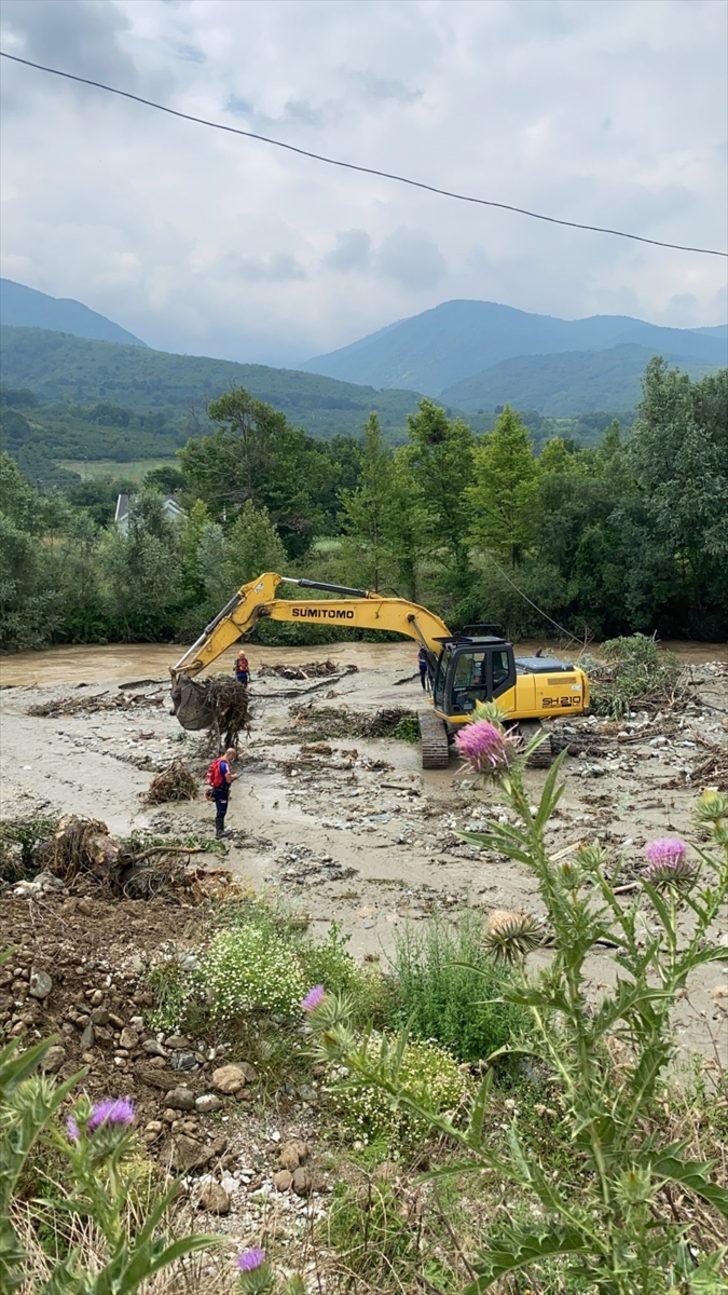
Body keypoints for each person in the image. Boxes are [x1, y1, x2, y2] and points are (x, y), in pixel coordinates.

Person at [211, 747, 238, 838]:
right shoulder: (224, 764)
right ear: (230, 754)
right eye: (233, 756)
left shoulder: (218, 761)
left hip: (216, 789)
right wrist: (234, 777)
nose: (232, 759)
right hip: (222, 791)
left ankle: (219, 830)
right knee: (222, 811)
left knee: (219, 810)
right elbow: (228, 778)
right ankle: (219, 832)